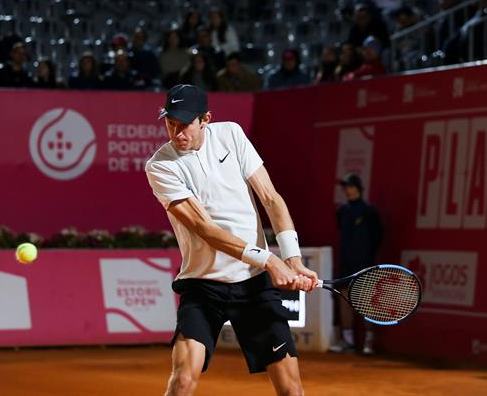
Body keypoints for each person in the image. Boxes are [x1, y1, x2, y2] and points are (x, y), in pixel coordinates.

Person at [145, 84, 317, 396]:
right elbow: (206, 229)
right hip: (203, 284)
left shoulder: (232, 135)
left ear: (205, 119)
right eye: (170, 123)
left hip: (252, 284)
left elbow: (270, 198)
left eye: (184, 125)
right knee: (183, 380)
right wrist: (269, 259)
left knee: (291, 389)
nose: (176, 133)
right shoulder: (160, 165)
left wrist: (293, 259)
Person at [330, 174, 383, 355]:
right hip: (345, 263)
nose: (347, 189)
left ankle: (369, 341)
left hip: (364, 263)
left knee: (366, 300)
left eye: (350, 186)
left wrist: (366, 256)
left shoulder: (369, 211)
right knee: (344, 298)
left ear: (358, 188)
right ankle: (348, 342)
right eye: (345, 186)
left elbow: (377, 236)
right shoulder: (342, 211)